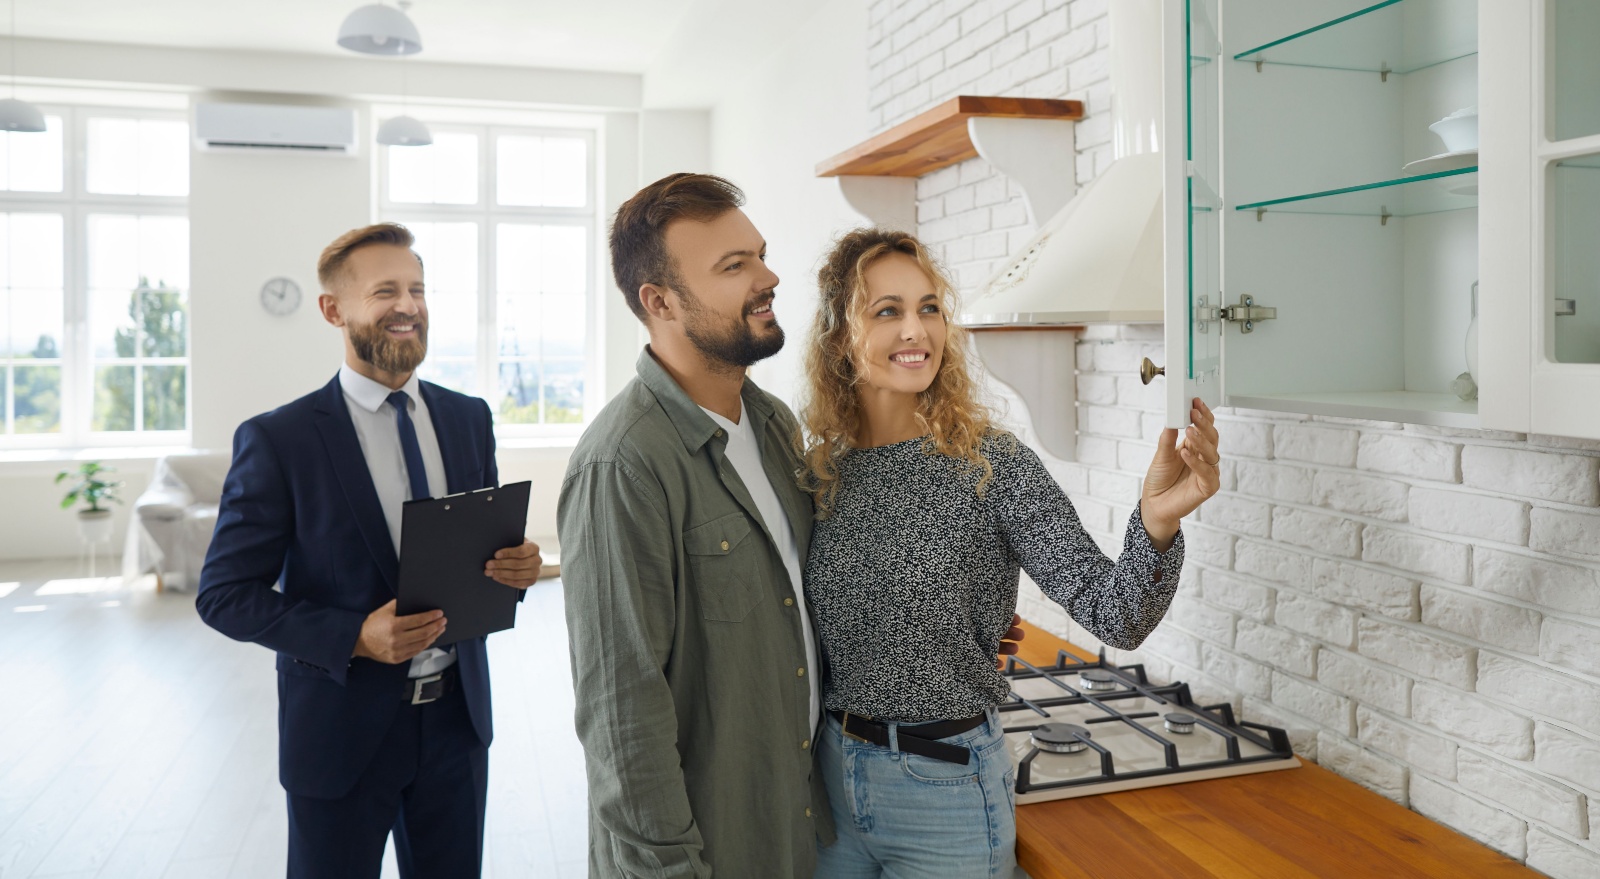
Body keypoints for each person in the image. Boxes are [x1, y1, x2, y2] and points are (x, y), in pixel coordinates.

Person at [800, 228, 1220, 878]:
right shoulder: (819, 473)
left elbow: (1116, 613)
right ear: (838, 337)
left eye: (929, 307)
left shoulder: (993, 465)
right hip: (829, 782)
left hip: (945, 792)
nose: (916, 330)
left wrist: (1157, 520)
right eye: (887, 310)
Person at [196, 222, 544, 879]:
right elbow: (223, 596)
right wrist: (354, 634)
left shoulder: (469, 417)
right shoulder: (280, 439)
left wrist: (515, 570)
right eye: (385, 290)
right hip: (340, 733)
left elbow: (475, 557)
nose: (408, 305)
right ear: (334, 310)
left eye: (417, 288)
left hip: (458, 726)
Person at [558, 172, 835, 877]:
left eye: (760, 254)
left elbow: (806, 605)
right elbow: (622, 709)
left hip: (793, 824)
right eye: (734, 266)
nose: (768, 277)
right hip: (705, 851)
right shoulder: (622, 463)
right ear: (661, 302)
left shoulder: (773, 423)